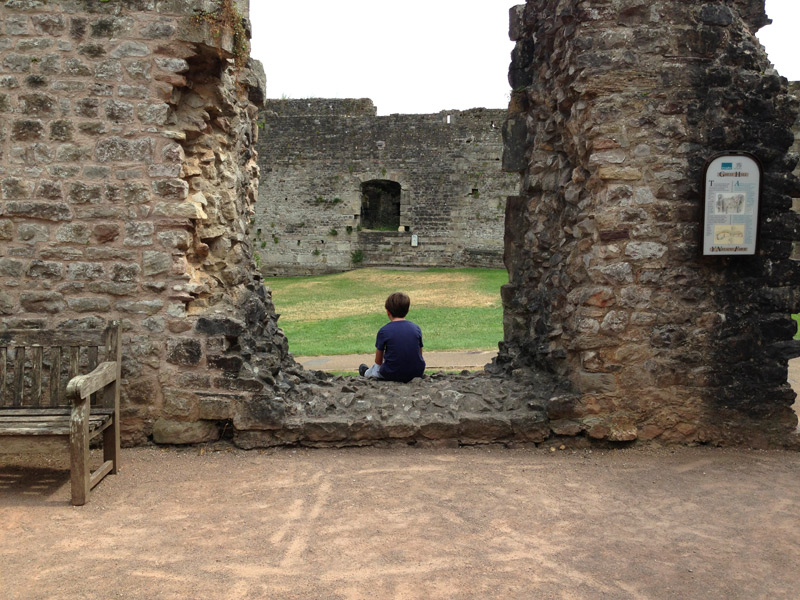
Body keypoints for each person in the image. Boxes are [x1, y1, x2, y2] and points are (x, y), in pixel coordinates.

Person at [359, 292, 425, 382]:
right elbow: (419, 355)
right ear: (407, 310)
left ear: (387, 312)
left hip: (391, 373)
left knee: (374, 370)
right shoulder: (416, 328)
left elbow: (378, 361)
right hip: (416, 372)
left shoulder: (384, 331)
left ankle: (365, 372)